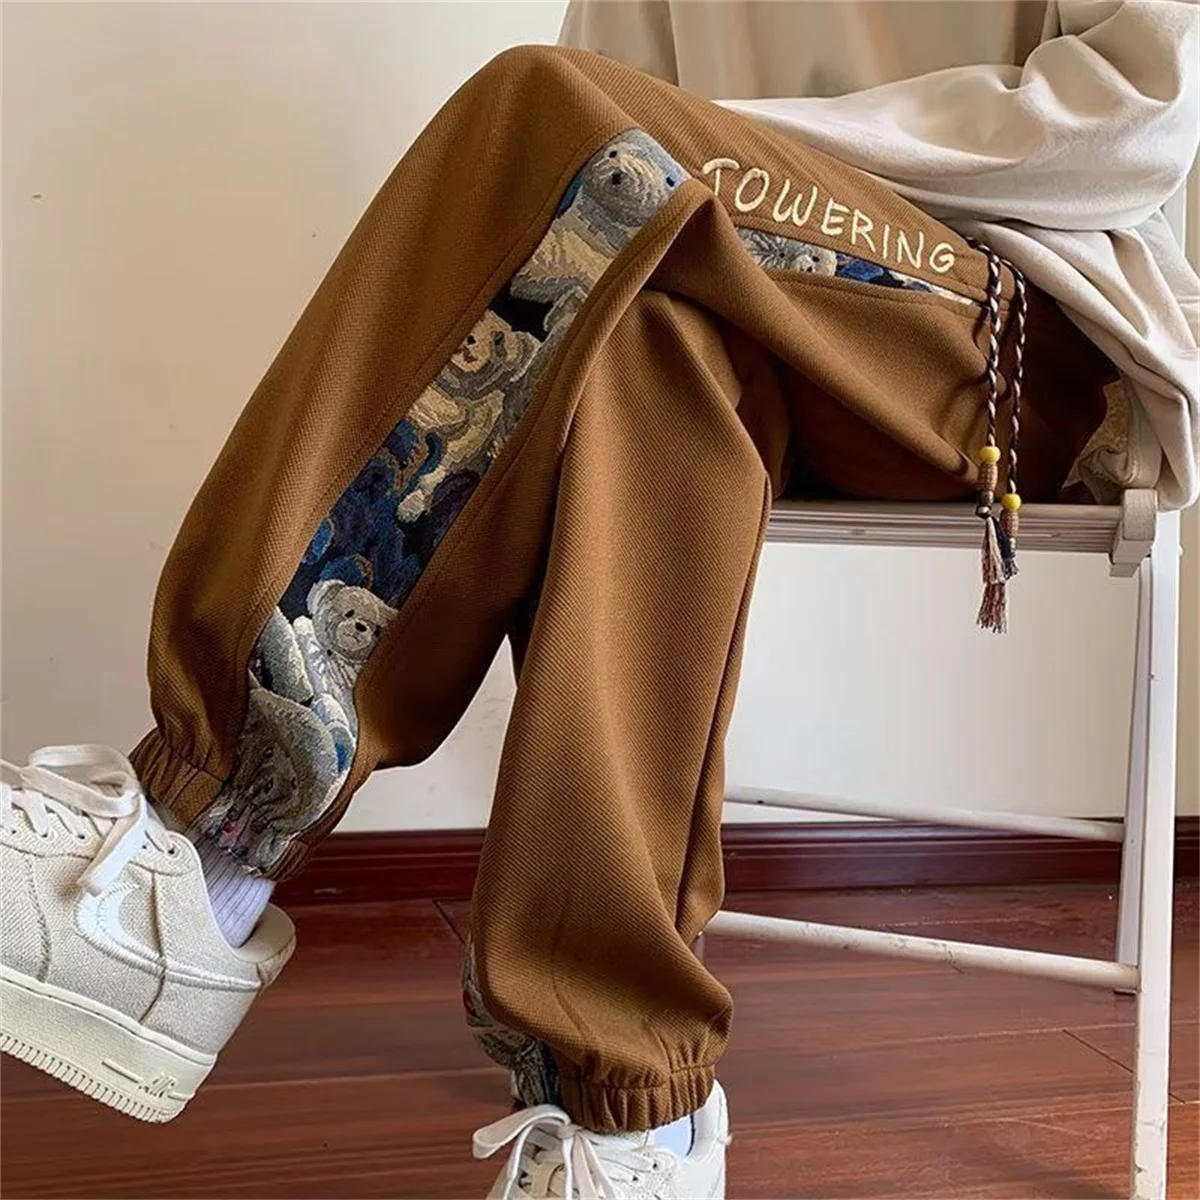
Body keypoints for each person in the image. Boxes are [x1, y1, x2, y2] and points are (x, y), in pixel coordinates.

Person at [2, 3, 1194, 1194]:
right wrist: (690, 155)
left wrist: (735, 144)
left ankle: (203, 847)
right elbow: (596, 192)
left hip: (1011, 341)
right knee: (644, 339)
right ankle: (631, 1106)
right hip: (748, 309)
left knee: (553, 114)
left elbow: (1134, 122)